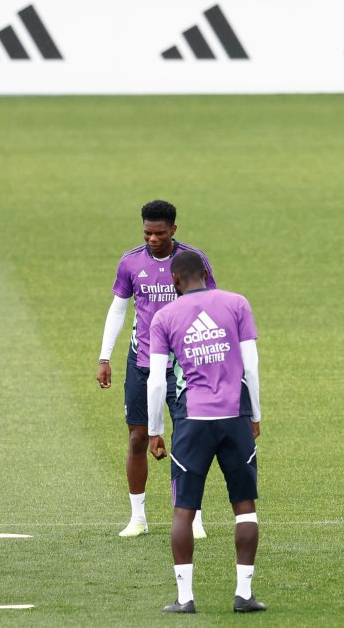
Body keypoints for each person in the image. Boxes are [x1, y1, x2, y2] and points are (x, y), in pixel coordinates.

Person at [145, 251, 264, 613]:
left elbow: (155, 381)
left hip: (192, 422)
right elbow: (252, 367)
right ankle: (244, 594)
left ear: (175, 281)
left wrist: (155, 429)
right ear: (207, 273)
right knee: (244, 508)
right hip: (235, 418)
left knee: (184, 510)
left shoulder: (165, 316)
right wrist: (255, 414)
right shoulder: (237, 304)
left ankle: (185, 599)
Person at [96, 200, 217, 538]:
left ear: (174, 230)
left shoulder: (193, 261)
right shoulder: (131, 262)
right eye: (147, 232)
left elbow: (211, 305)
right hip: (142, 363)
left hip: (184, 366)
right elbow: (119, 310)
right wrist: (105, 358)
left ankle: (192, 517)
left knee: (187, 439)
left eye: (159, 233)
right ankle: (138, 517)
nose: (152, 239)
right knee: (137, 439)